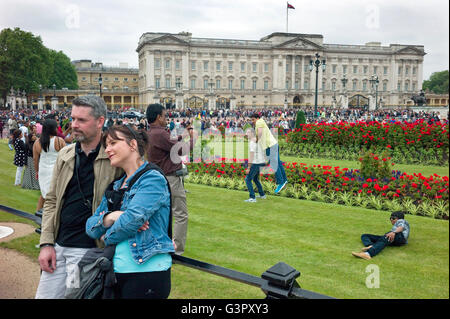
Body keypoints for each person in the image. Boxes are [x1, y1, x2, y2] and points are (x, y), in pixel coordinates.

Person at [35, 96, 123, 299]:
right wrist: (46, 243)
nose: (74, 125)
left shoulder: (114, 157)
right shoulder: (65, 154)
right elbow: (52, 201)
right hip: (59, 247)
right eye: (73, 118)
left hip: (90, 251)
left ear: (100, 121)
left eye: (81, 120)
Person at [86, 124, 174, 299]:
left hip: (147, 273)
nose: (108, 149)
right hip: (116, 272)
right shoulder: (117, 185)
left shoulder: (152, 179)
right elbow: (90, 227)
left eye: (112, 143)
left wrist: (106, 236)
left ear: (132, 145)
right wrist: (113, 216)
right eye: (106, 145)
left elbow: (131, 222)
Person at [146, 103, 195, 255]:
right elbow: (181, 149)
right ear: (158, 117)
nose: (166, 118)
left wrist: (182, 136)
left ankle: (159, 244)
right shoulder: (160, 134)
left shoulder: (152, 132)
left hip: (158, 177)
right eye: (164, 115)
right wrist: (193, 139)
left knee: (161, 213)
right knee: (180, 214)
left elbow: (170, 140)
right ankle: (177, 250)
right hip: (170, 178)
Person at [33, 119, 66, 211]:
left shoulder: (37, 142)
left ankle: (38, 215)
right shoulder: (59, 141)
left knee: (44, 195)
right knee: (54, 195)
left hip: (43, 170)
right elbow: (66, 158)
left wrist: (37, 171)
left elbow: (35, 160)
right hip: (56, 170)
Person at [250, 113, 288, 194]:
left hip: (270, 146)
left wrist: (255, 139)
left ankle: (280, 182)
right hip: (273, 144)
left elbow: (260, 133)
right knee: (278, 164)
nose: (252, 121)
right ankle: (284, 180)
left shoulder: (259, 122)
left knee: (274, 164)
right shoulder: (261, 121)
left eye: (253, 119)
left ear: (257, 118)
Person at [244, 128, 267, 203]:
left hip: (256, 163)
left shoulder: (252, 142)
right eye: (246, 132)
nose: (246, 134)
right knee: (255, 179)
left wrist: (248, 167)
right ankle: (262, 195)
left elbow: (251, 155)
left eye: (248, 132)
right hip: (262, 162)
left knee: (247, 179)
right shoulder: (257, 140)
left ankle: (252, 197)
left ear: (252, 133)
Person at [21, 123, 40, 190]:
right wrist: (25, 162)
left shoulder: (37, 142)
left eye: (35, 135)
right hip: (30, 159)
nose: (34, 136)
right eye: (33, 136)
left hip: (36, 159)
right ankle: (29, 184)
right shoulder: (28, 144)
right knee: (29, 172)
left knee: (36, 172)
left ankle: (36, 184)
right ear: (30, 137)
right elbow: (25, 153)